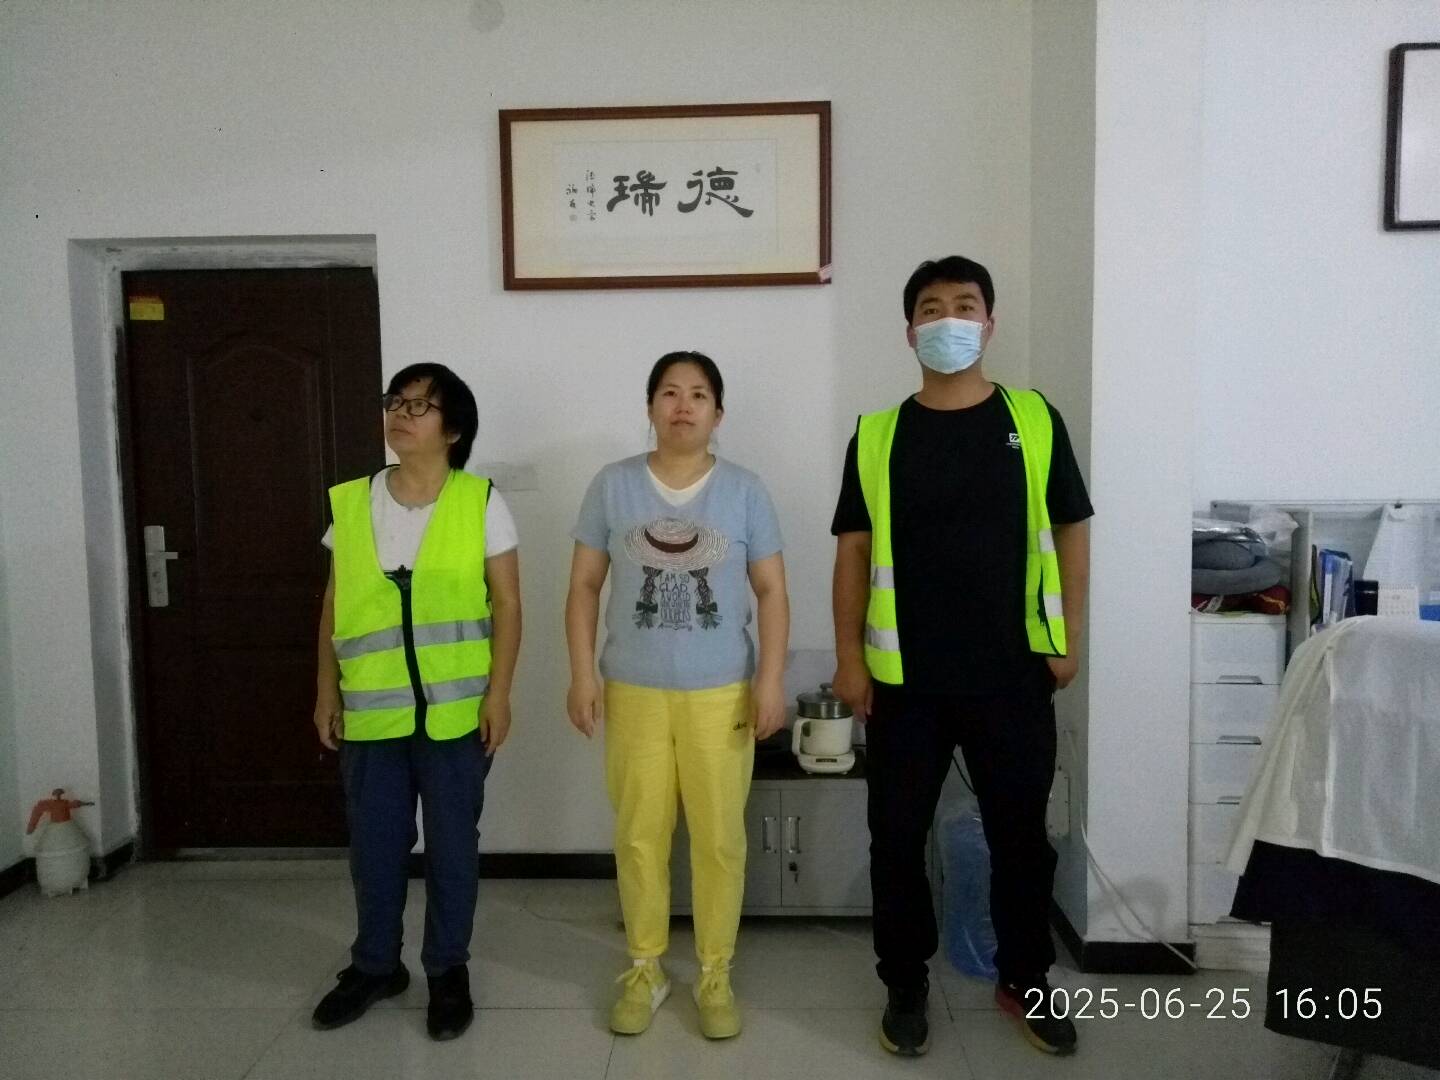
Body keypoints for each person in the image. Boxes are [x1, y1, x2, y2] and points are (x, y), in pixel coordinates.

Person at [830, 257, 1093, 1057]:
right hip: (904, 680)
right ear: (910, 331)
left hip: (1012, 674)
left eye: (965, 305)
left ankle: (1026, 978)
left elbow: (1071, 528)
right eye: (932, 308)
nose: (949, 319)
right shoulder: (879, 435)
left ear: (990, 322)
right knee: (895, 839)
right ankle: (905, 983)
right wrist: (849, 659)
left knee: (1022, 840)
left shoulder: (1033, 419)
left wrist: (1069, 637)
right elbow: (853, 552)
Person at [566, 351, 789, 1040]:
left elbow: (772, 590)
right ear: (650, 407)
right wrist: (582, 674)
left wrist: (770, 679)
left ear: (718, 413)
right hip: (633, 690)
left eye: (698, 394)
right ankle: (646, 968)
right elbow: (584, 587)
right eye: (669, 392)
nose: (683, 405)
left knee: (719, 839)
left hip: (720, 693)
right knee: (639, 835)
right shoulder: (613, 486)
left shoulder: (745, 491)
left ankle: (715, 972)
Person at [310, 362, 522, 1041]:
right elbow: (334, 605)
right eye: (395, 402)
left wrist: (500, 694)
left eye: (420, 406)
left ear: (452, 429)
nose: (401, 415)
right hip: (371, 713)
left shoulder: (479, 501)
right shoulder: (352, 502)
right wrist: (325, 691)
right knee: (374, 849)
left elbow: (508, 604)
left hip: (457, 714)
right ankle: (375, 966)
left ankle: (447, 972)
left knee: (453, 849)